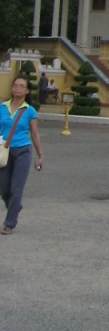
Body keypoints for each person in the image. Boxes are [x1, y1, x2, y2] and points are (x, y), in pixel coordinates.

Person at [0, 76, 44, 234]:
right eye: (15, 85)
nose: (17, 88)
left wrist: (40, 154)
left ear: (27, 91)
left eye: (21, 86)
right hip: (4, 150)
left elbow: (35, 134)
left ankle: (9, 223)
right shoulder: (2, 107)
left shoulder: (30, 111)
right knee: (3, 187)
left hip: (22, 151)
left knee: (16, 188)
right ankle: (15, 207)